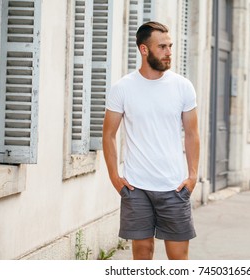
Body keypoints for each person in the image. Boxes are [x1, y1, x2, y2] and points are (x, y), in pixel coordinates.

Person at [102, 21, 200, 260]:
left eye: (170, 46)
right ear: (144, 50)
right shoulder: (122, 88)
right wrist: (115, 177)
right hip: (137, 188)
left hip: (174, 186)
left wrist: (192, 176)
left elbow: (192, 134)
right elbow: (108, 134)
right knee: (142, 255)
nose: (169, 52)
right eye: (162, 47)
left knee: (178, 258)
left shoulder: (183, 87)